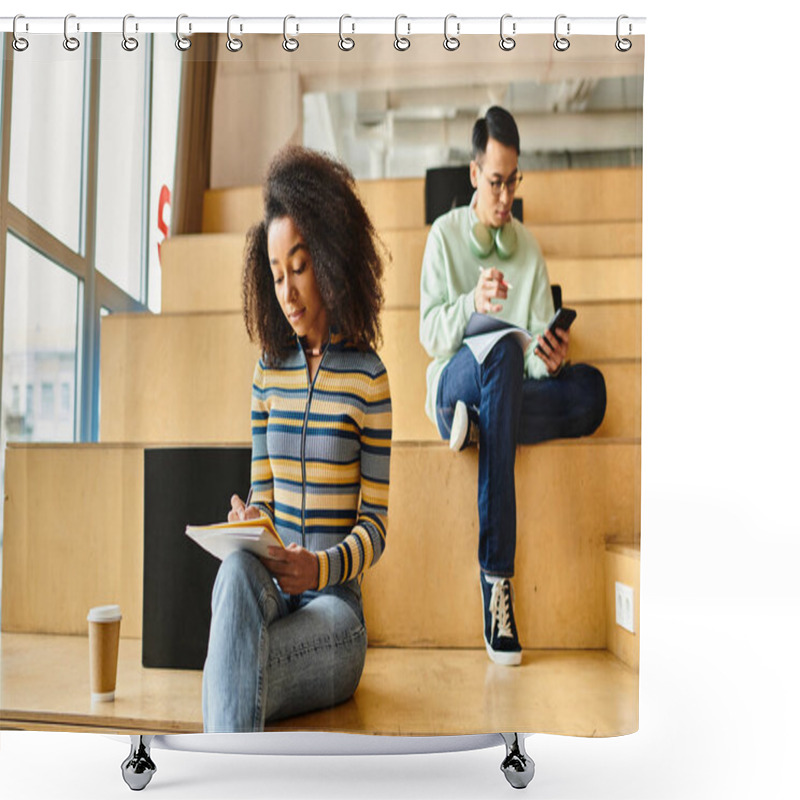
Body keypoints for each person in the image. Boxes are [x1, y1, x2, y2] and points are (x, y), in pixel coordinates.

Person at [203, 146, 392, 732]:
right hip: (270, 595)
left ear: (331, 257)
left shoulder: (369, 378)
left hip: (336, 614)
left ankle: (218, 751)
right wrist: (250, 519)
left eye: (300, 267)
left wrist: (321, 568)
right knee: (234, 574)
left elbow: (376, 528)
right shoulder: (266, 373)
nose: (287, 292)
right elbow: (263, 494)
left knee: (234, 669)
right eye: (277, 274)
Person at [419, 106, 606, 666]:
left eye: (512, 181)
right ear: (475, 174)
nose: (505, 196)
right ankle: (496, 577)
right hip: (453, 385)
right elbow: (429, 335)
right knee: (497, 349)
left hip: (505, 389)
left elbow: (529, 352)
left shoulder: (528, 249)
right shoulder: (444, 237)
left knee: (590, 390)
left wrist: (548, 360)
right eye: (495, 181)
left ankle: (483, 426)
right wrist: (471, 304)